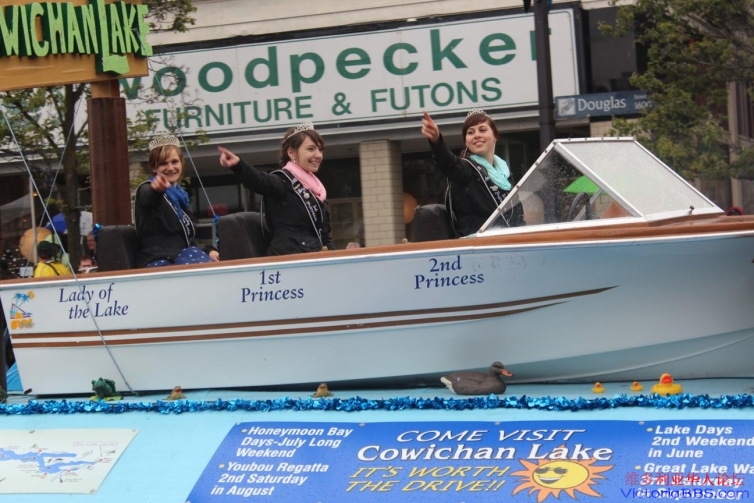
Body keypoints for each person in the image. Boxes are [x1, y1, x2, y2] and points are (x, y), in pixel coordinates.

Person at [218, 122, 334, 255]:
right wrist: (238, 165)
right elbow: (260, 181)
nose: (318, 155)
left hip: (314, 256)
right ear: (291, 152)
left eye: (320, 150)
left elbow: (324, 237)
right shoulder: (282, 181)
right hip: (288, 257)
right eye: (311, 149)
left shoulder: (317, 190)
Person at [421, 109, 524, 237]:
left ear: (495, 136)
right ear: (466, 141)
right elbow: (448, 162)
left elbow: (518, 215)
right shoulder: (465, 169)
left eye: (482, 130)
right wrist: (436, 141)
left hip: (508, 241)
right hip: (476, 244)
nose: (476, 135)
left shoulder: (504, 173)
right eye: (470, 132)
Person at [134, 135, 220, 268]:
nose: (170, 167)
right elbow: (148, 199)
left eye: (174, 162)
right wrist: (157, 191)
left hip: (181, 255)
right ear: (154, 168)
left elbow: (186, 240)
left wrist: (208, 251)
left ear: (181, 163)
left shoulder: (181, 197)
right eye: (163, 163)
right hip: (158, 259)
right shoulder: (147, 188)